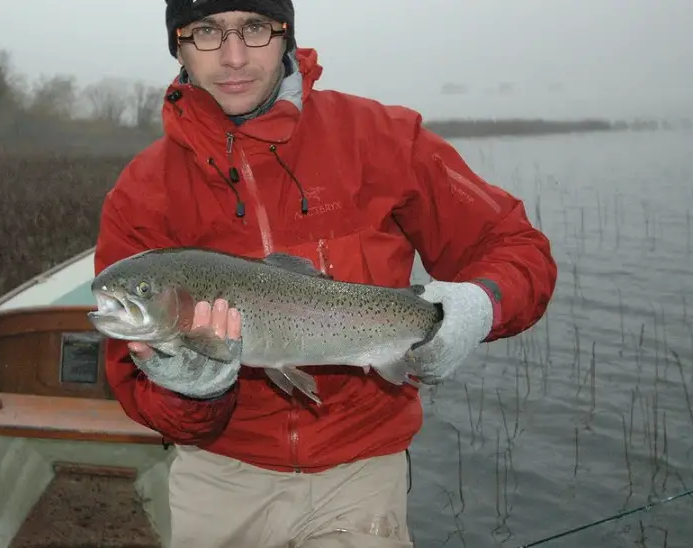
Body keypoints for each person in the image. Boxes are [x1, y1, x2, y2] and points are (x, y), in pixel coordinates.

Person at [93, 1, 558, 546]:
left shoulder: (382, 138)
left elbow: (517, 246)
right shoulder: (141, 192)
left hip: (362, 471)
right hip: (218, 474)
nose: (235, 55)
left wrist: (480, 305)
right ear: (178, 45)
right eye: (206, 31)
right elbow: (137, 391)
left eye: (255, 28)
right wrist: (190, 392)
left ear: (286, 35)